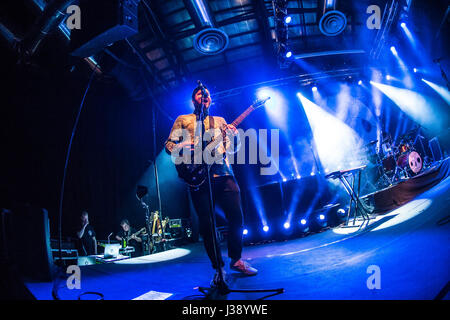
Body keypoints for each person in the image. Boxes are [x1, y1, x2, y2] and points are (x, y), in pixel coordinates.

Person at [165, 84, 257, 285]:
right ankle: (219, 268)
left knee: (237, 217)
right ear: (193, 100)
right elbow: (169, 145)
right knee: (207, 225)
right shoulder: (183, 119)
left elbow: (232, 148)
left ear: (210, 100)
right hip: (197, 177)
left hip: (223, 172)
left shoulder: (220, 121)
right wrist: (180, 145)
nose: (204, 95)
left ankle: (236, 259)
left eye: (207, 94)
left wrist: (233, 137)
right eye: (200, 93)